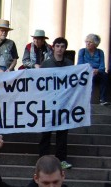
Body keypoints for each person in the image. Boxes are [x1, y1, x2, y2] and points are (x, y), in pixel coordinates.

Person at [39, 37, 74, 170]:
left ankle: (61, 159)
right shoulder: (46, 64)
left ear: (65, 49)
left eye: (62, 46)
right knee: (46, 132)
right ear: (53, 47)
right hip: (48, 103)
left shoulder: (70, 64)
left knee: (62, 133)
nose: (60, 49)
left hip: (63, 103)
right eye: (57, 46)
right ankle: (43, 158)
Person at [78, 33, 110, 105]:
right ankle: (84, 99)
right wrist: (90, 70)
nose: (87, 43)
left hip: (97, 72)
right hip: (86, 72)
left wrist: (97, 70)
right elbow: (80, 65)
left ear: (95, 44)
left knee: (105, 76)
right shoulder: (82, 51)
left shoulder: (100, 52)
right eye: (86, 41)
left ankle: (103, 99)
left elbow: (102, 66)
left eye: (90, 42)